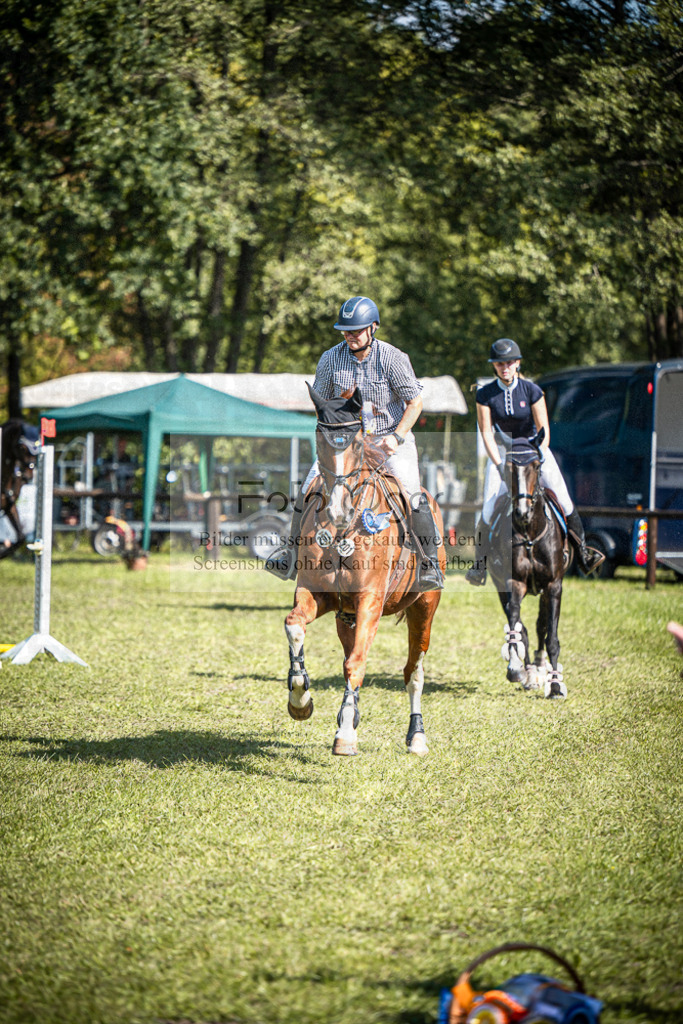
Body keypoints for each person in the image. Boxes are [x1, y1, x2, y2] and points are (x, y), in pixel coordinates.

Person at [266, 295, 444, 590]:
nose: (350, 336)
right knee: (308, 486)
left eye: (357, 330)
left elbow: (415, 402)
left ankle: (429, 565)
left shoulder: (392, 358)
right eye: (346, 330)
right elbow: (321, 406)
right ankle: (289, 554)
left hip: (391, 438)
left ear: (373, 327)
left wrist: (396, 437)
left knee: (412, 493)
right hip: (348, 443)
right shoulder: (330, 359)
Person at [466, 337, 605, 586]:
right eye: (499, 363)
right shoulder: (485, 395)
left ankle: (583, 552)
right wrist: (498, 464)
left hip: (534, 454)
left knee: (563, 499)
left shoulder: (532, 390)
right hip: (501, 455)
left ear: (517, 362)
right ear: (494, 366)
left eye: (509, 362)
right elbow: (486, 432)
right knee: (487, 510)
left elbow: (544, 430)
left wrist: (538, 457)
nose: (504, 367)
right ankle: (479, 566)